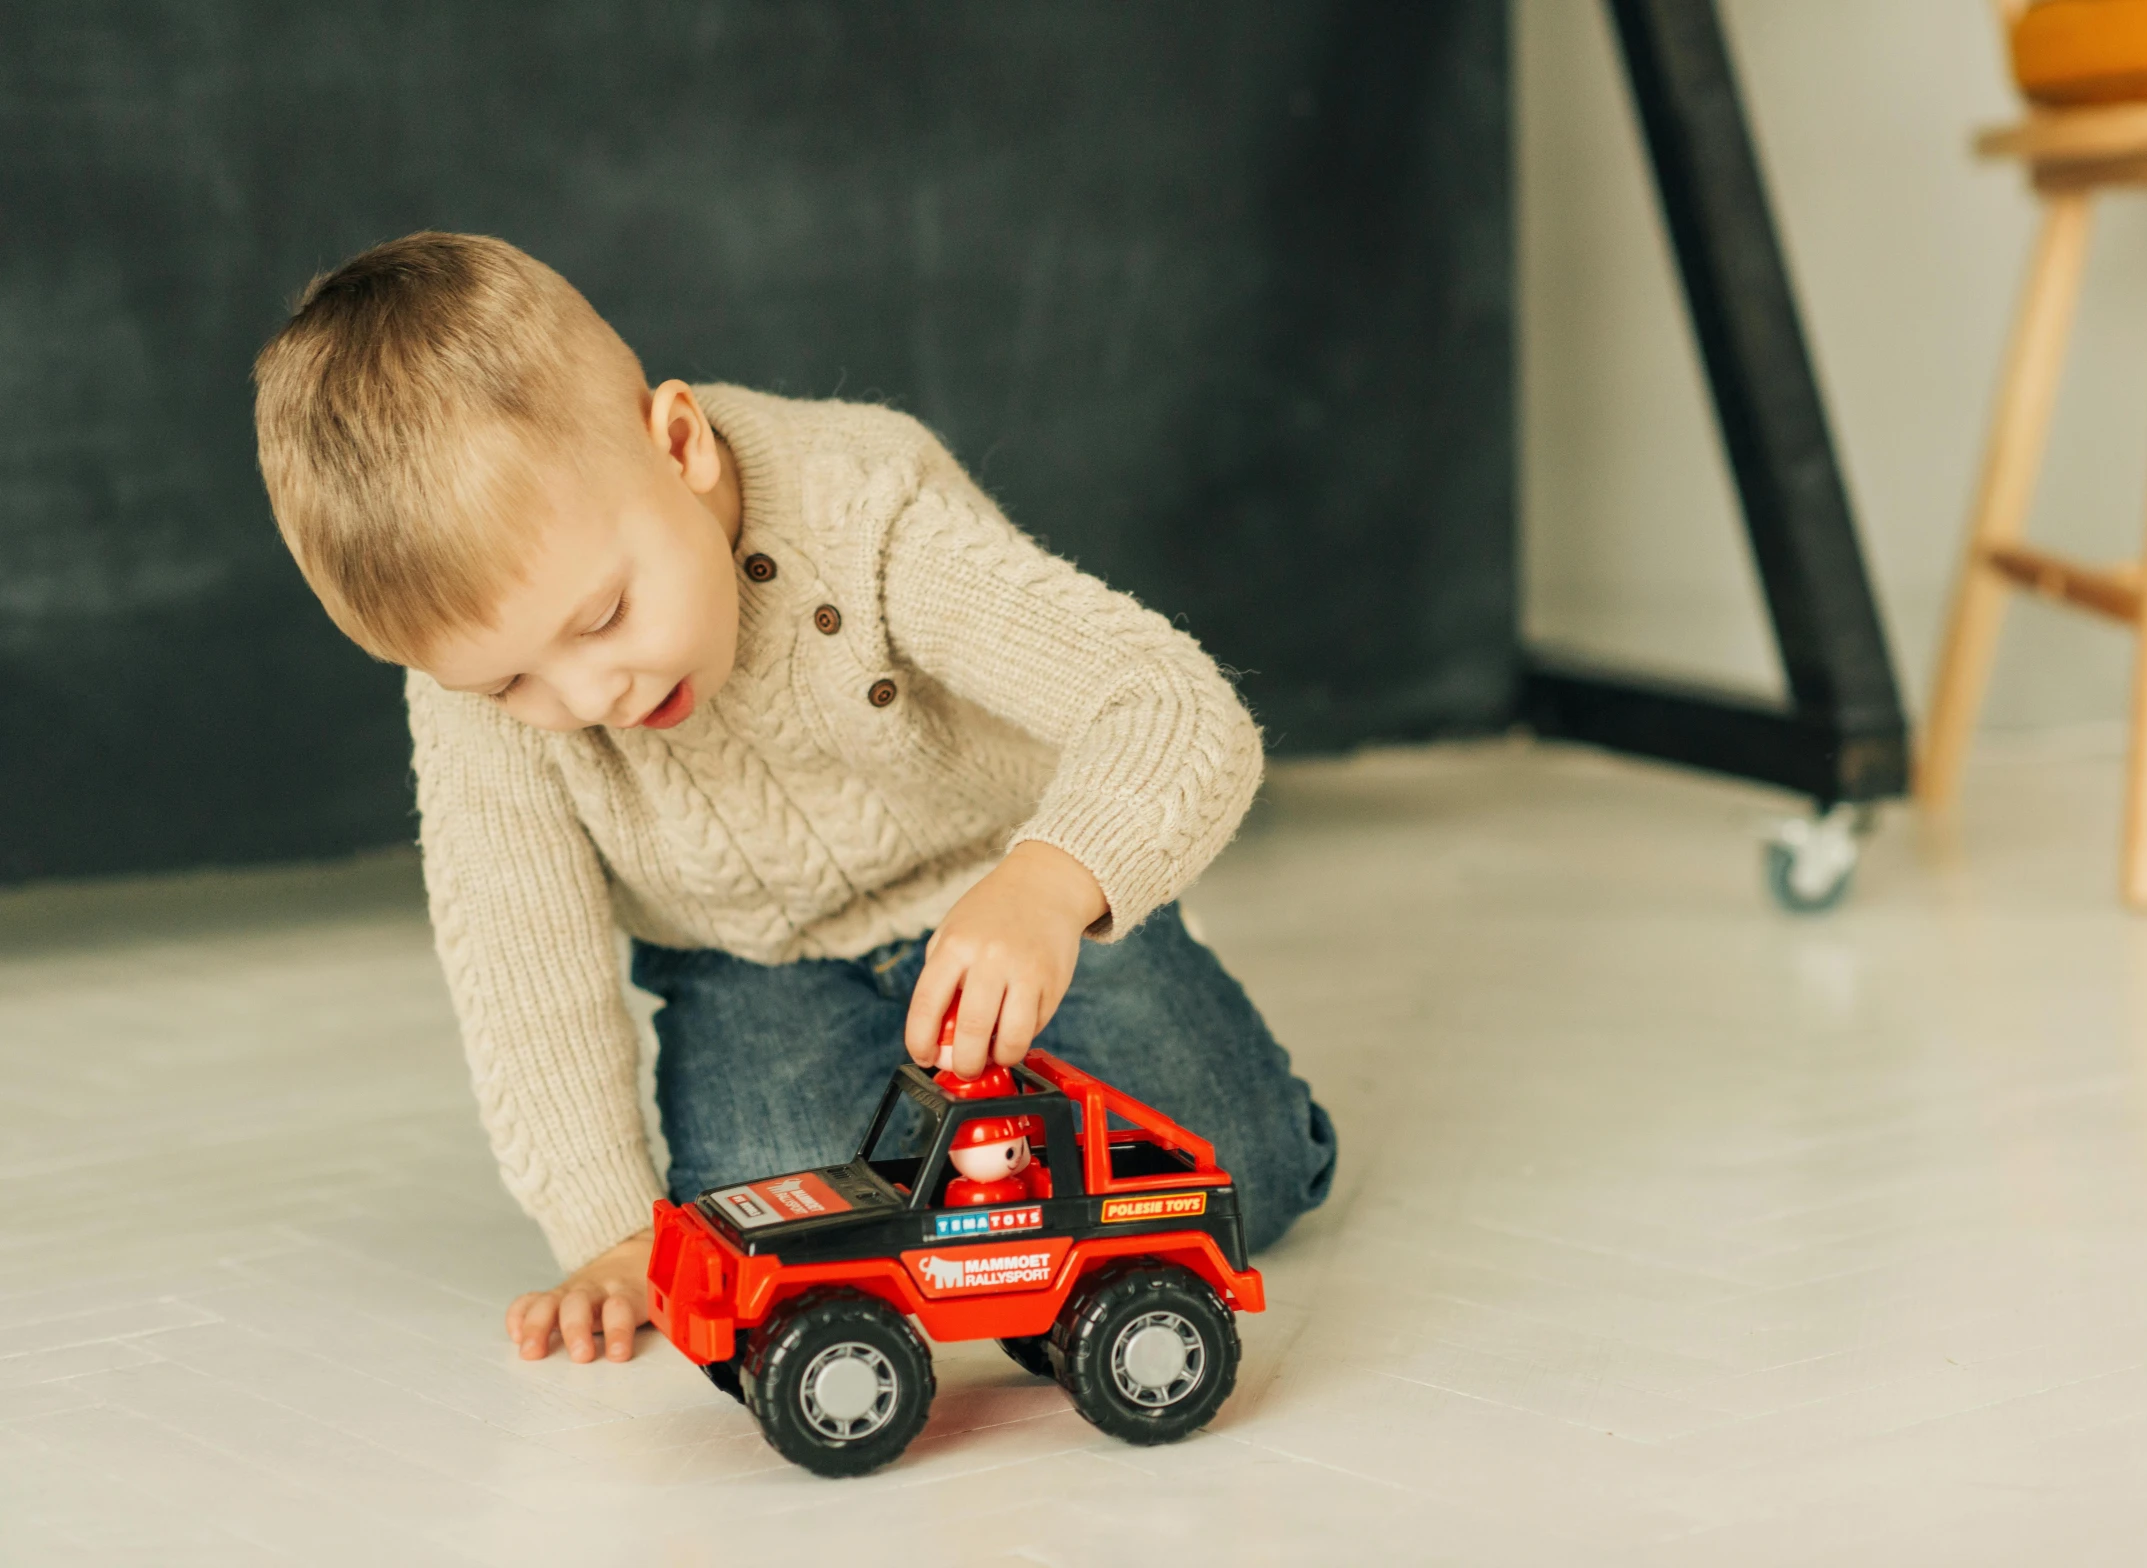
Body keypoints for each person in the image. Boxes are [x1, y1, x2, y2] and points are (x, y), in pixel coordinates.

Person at [250, 231, 1336, 1364]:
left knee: (1235, 1173)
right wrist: (617, 1229)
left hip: (1002, 890)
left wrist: (1056, 880)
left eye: (604, 616)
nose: (589, 695)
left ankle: (1137, 1050)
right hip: (753, 966)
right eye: (510, 680)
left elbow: (1170, 700)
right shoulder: (477, 695)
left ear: (679, 447)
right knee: (771, 1262)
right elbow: (525, 966)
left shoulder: (862, 504)